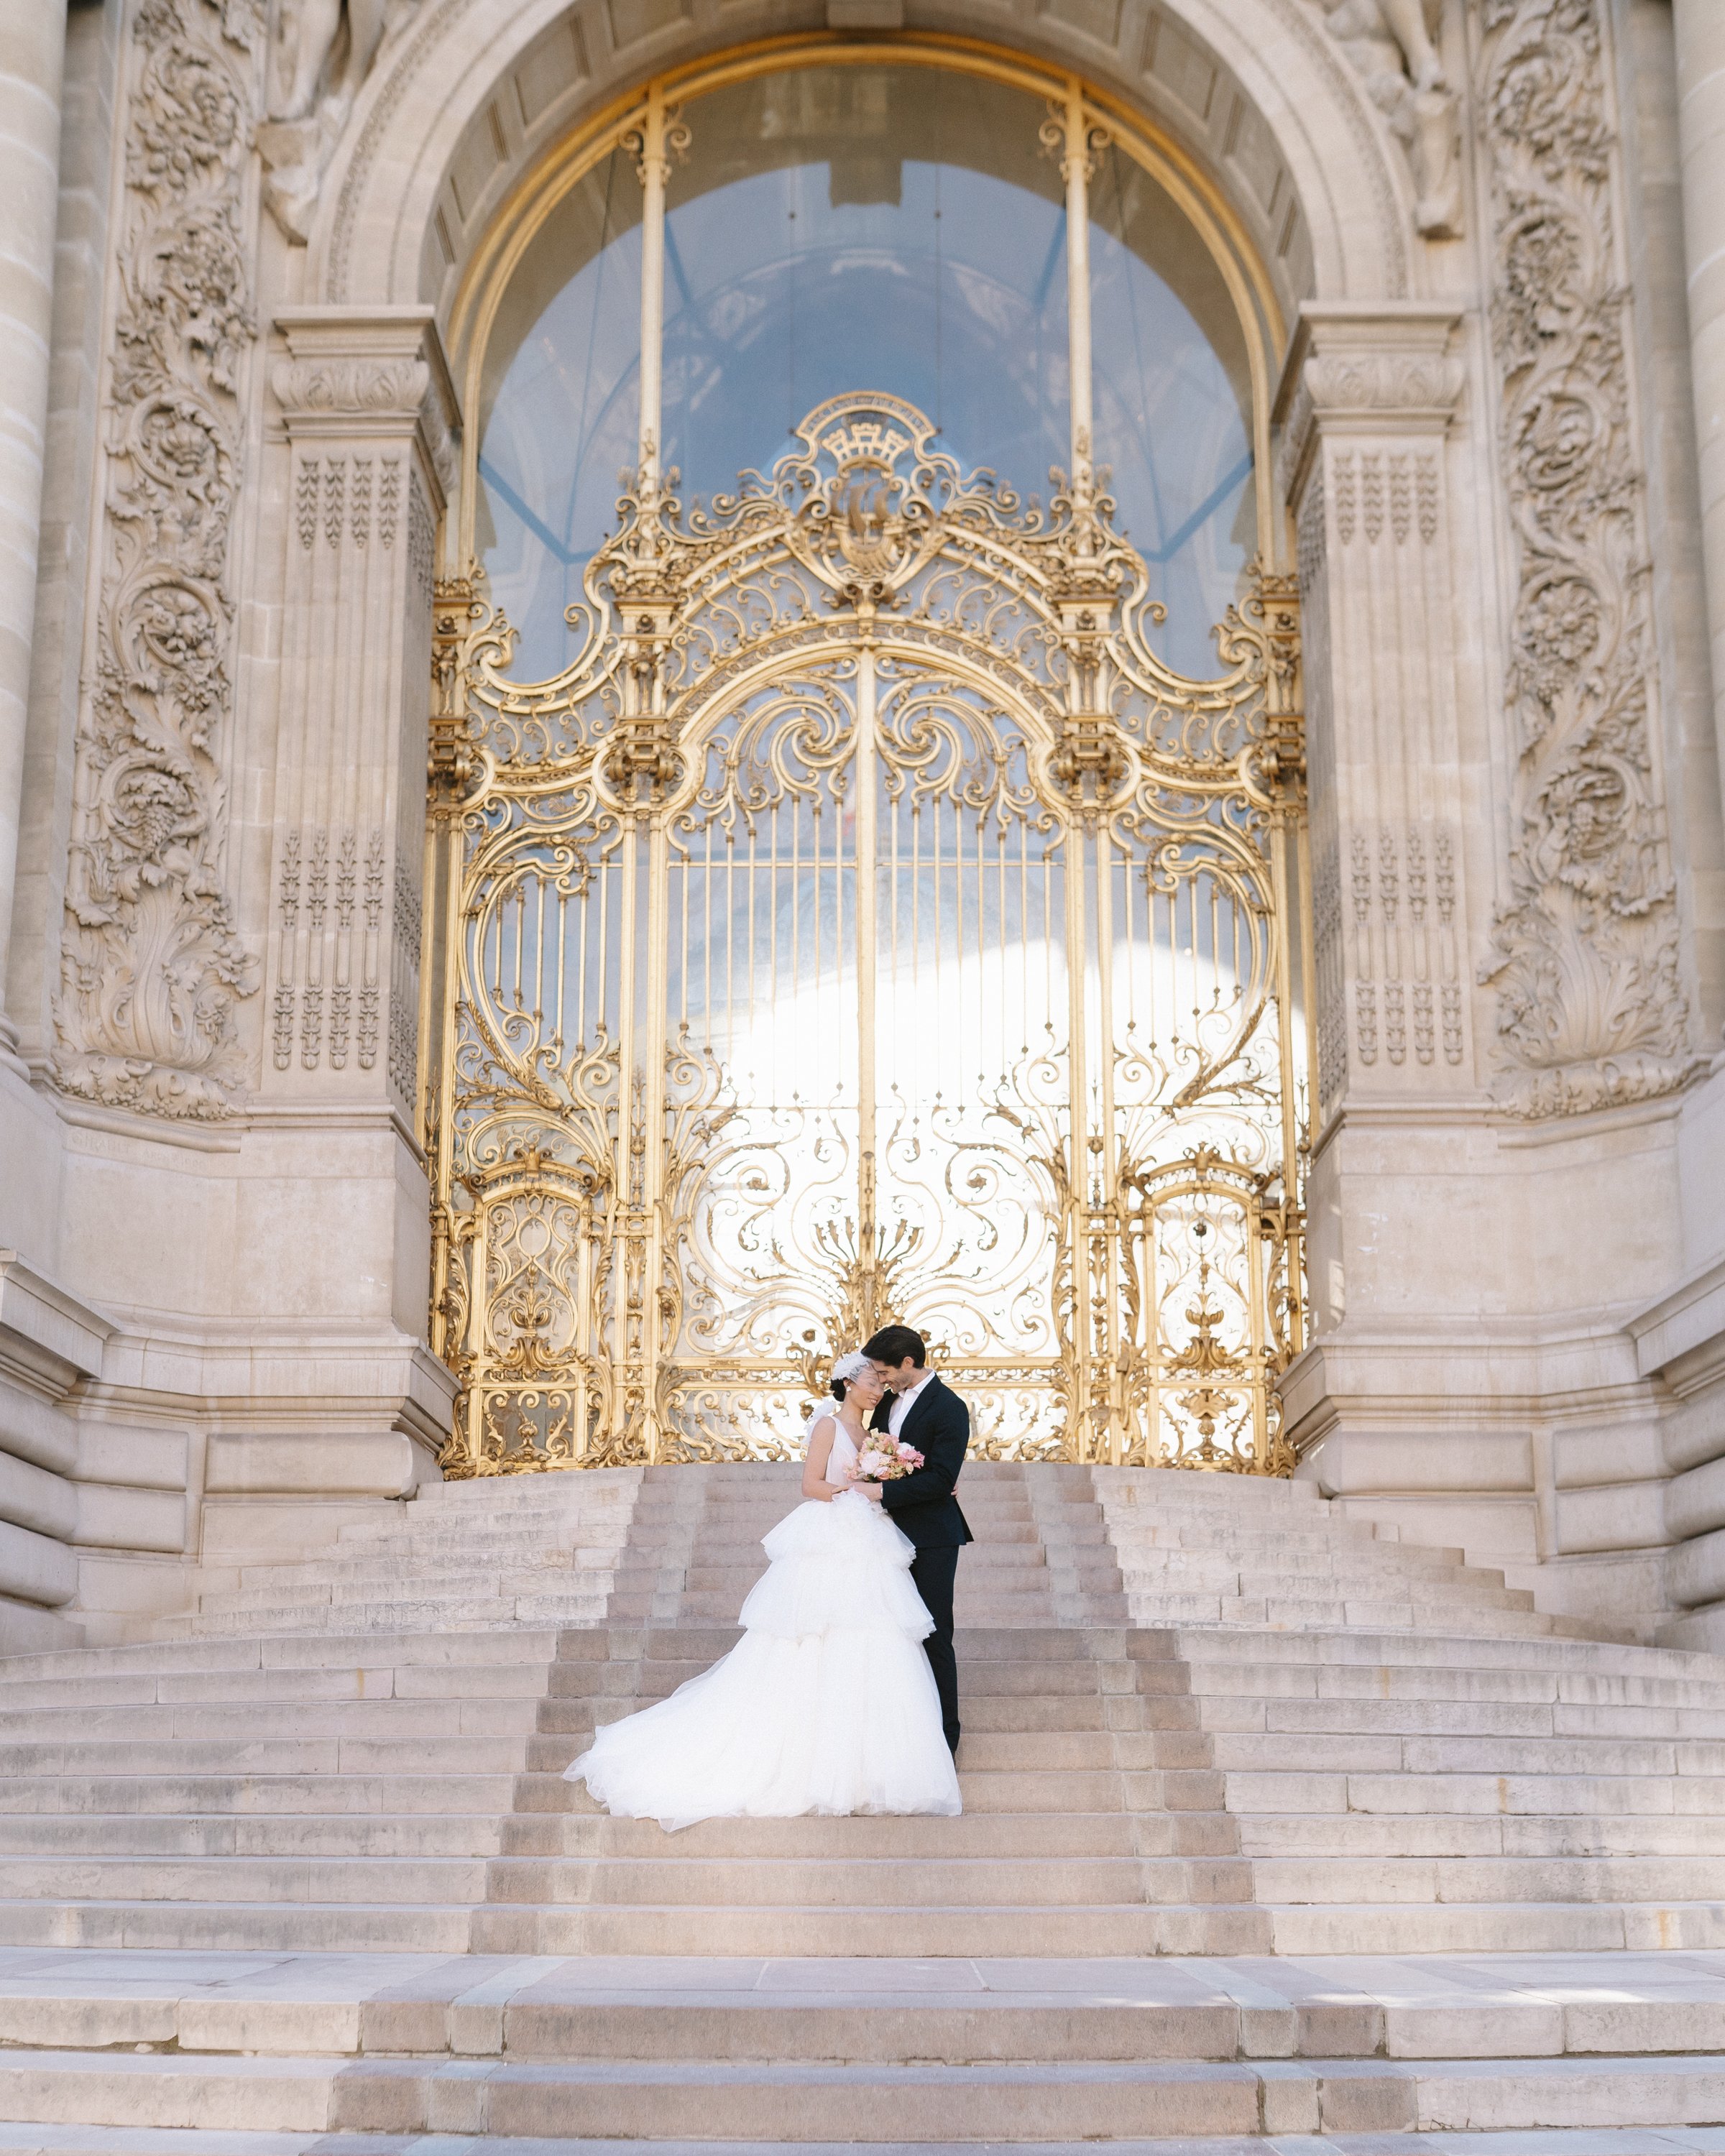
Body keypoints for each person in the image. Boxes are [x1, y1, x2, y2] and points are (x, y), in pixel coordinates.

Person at [563, 1351, 961, 1830]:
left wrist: (898, 1478)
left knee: (874, 1634)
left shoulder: (877, 1434)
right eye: (873, 1382)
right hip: (834, 1532)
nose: (880, 1389)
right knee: (819, 1633)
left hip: (871, 1533)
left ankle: (867, 1757)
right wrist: (853, 1487)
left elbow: (891, 1475)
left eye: (882, 1382)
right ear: (849, 1385)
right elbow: (810, 1485)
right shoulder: (829, 1428)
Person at [851, 1325, 972, 1754]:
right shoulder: (888, 1404)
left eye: (885, 1371)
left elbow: (942, 1477)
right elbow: (878, 1454)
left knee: (934, 1633)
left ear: (908, 1363)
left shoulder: (950, 1407)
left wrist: (882, 1489)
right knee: (886, 1633)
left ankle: (946, 1740)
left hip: (933, 1536)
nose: (880, 1379)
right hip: (884, 1534)